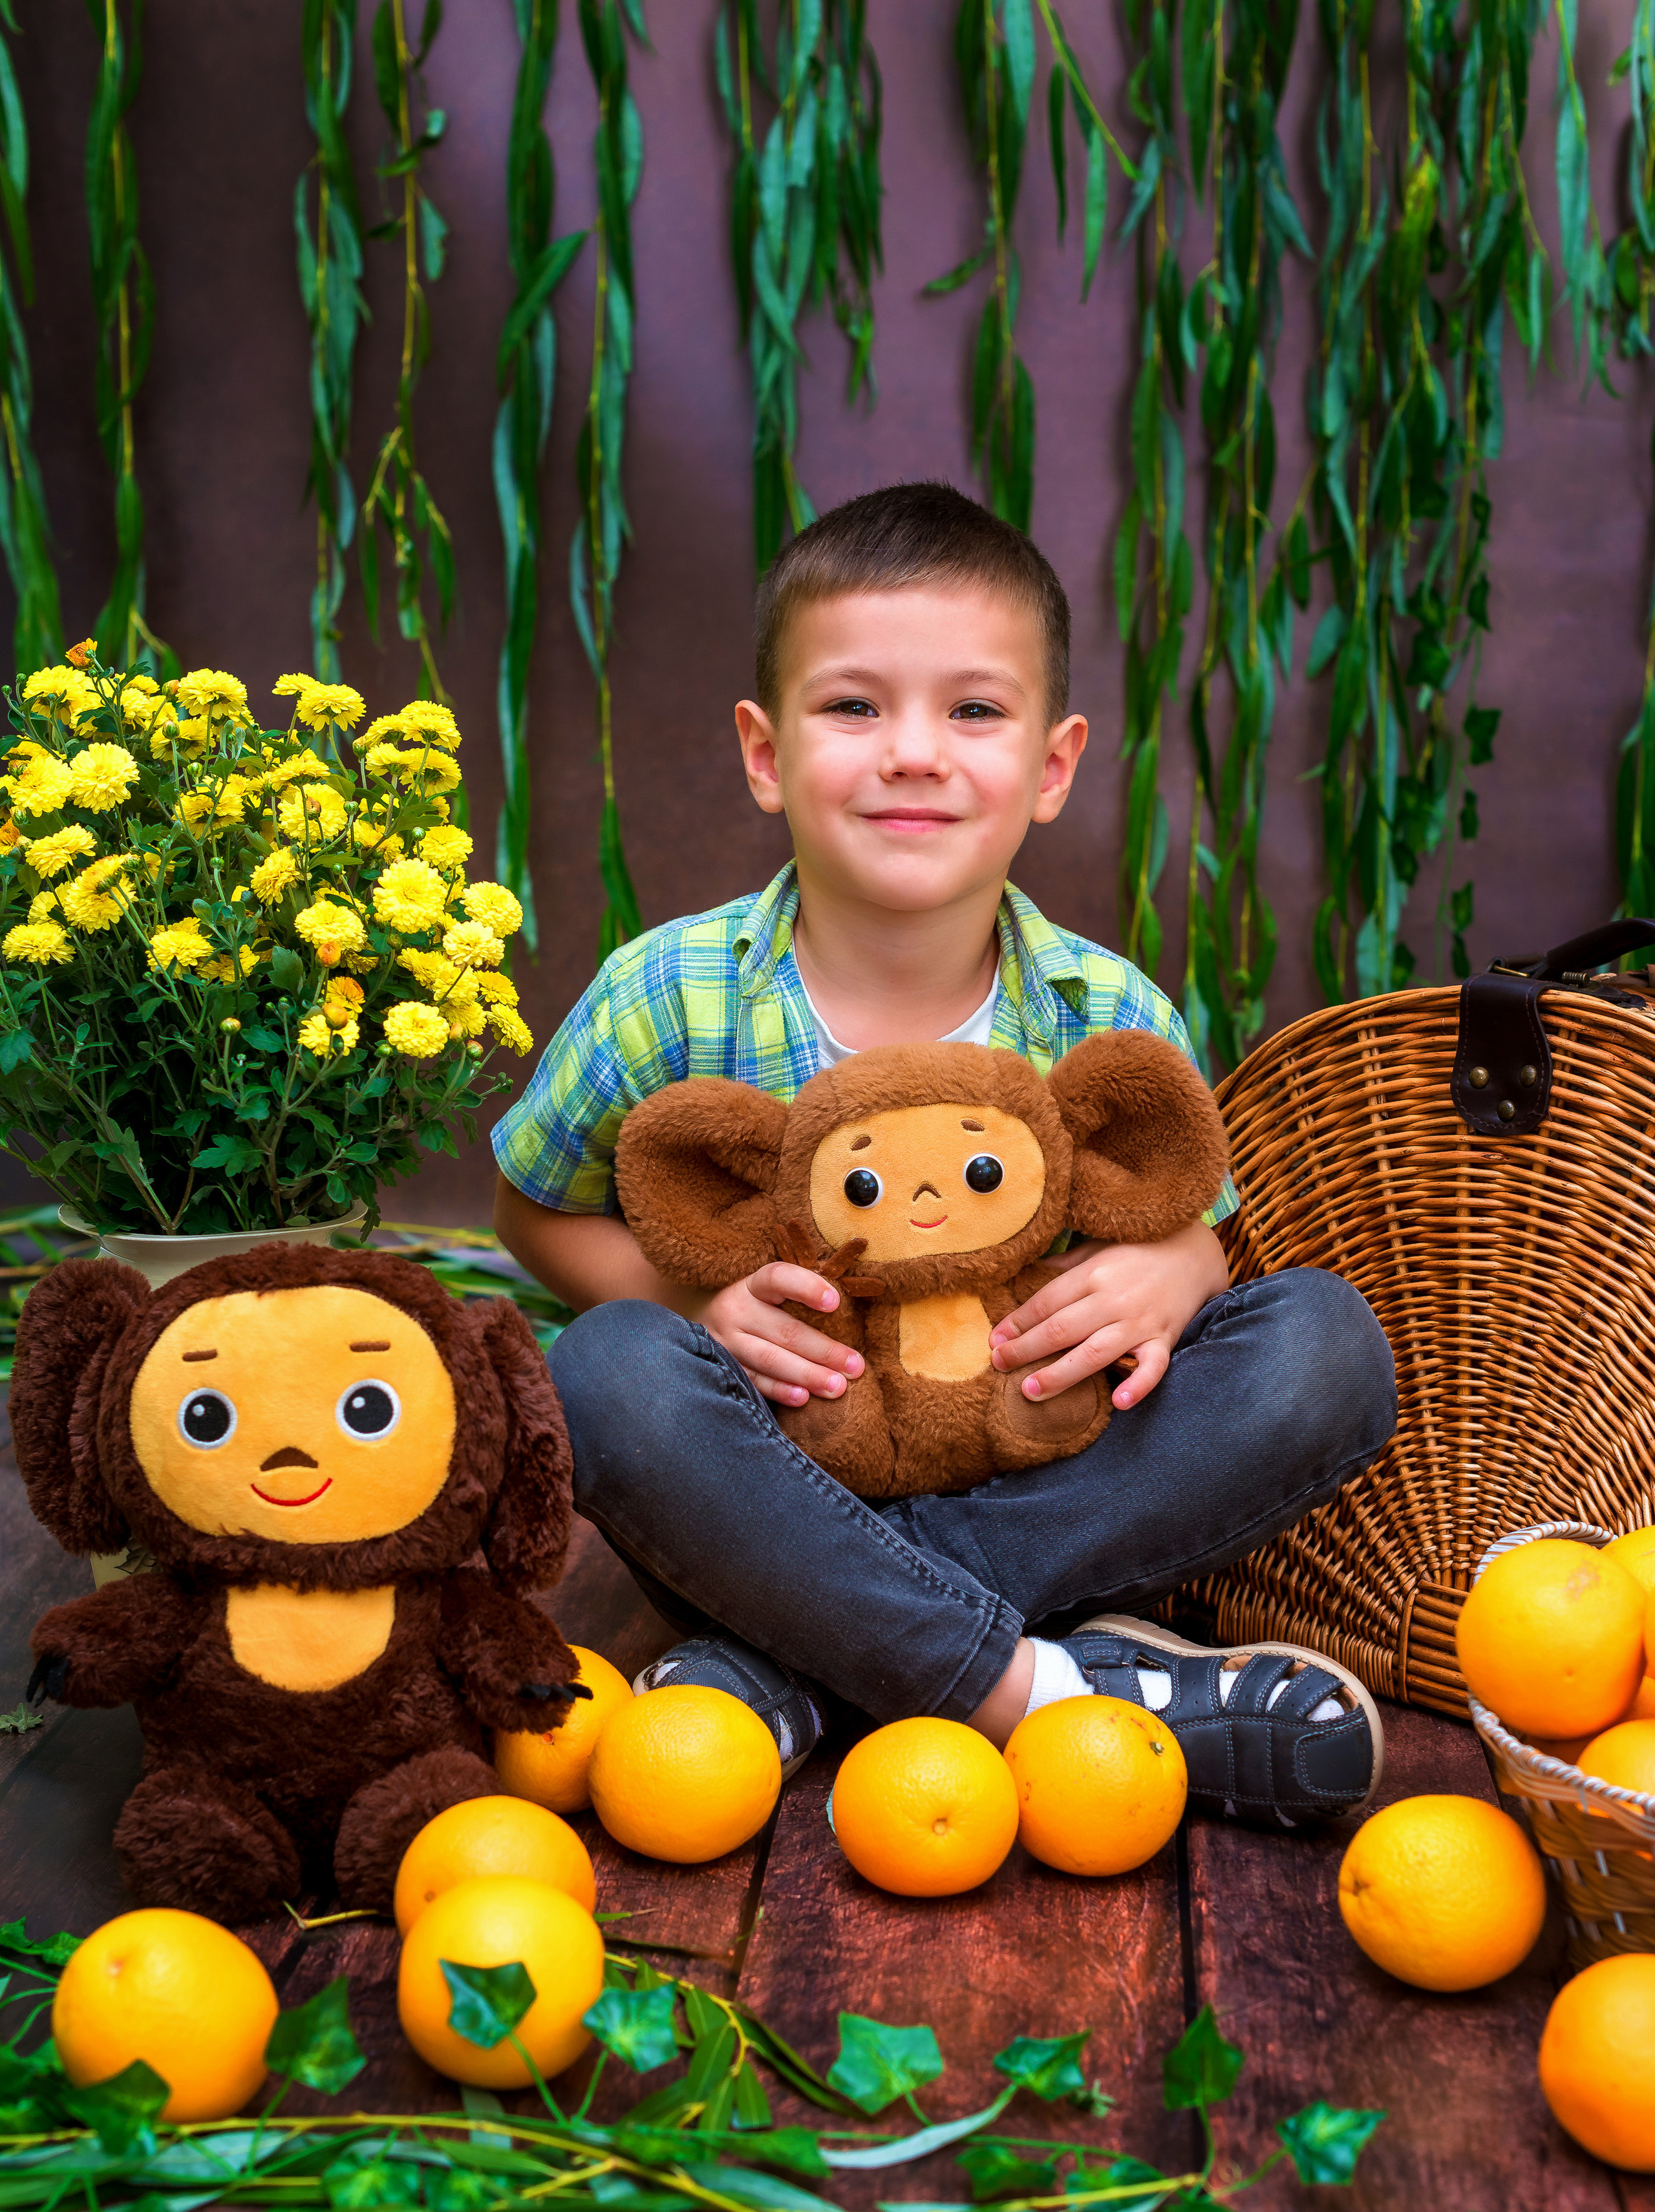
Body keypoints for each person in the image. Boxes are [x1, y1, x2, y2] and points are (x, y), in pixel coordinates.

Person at [494, 481, 1397, 1829]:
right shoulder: (663, 997)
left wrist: (1180, 1270)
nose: (913, 753)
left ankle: (809, 1662)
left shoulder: (1105, 1011)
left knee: (1323, 1347)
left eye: (973, 710)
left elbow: (1196, 1221)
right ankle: (1045, 1690)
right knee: (607, 1371)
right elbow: (529, 1213)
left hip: (1051, 1487)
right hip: (769, 1495)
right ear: (764, 752)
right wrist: (693, 1299)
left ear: (1052, 766)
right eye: (853, 707)